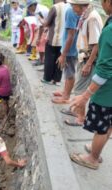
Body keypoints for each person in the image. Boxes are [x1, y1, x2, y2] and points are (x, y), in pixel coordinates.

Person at [69, 0, 112, 170]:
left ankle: (93, 158)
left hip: (106, 92)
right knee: (108, 124)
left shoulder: (109, 30)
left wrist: (85, 96)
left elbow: (105, 69)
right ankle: (96, 149)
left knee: (102, 126)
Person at [62, 0, 103, 126]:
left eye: (74, 6)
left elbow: (96, 44)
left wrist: (88, 64)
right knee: (80, 87)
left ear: (81, 6)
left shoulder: (92, 18)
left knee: (80, 89)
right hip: (83, 57)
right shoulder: (85, 16)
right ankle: (77, 112)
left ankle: (80, 118)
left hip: (88, 59)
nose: (73, 8)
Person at [51, 4, 80, 104]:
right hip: (71, 47)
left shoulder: (71, 10)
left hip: (70, 49)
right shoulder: (72, 9)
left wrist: (64, 54)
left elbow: (71, 35)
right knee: (67, 71)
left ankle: (66, 97)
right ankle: (65, 92)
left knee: (69, 73)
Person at [41, 0, 66, 85]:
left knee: (49, 59)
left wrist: (41, 19)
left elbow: (46, 23)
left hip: (53, 38)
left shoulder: (55, 7)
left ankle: (47, 78)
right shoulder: (69, 7)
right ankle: (57, 80)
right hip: (64, 40)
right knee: (59, 59)